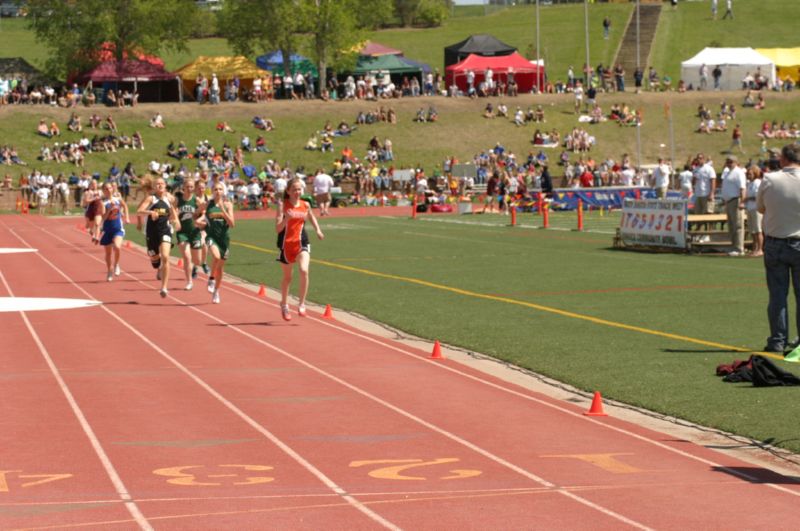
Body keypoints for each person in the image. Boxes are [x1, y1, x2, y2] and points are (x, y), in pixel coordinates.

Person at [756, 144, 800, 353]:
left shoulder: (770, 179)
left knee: (777, 295)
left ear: (783, 159)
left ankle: (777, 340)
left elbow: (760, 207)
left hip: (775, 242)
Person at [275, 177, 324, 321]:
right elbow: (278, 229)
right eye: (294, 189)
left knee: (304, 270)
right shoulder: (282, 205)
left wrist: (318, 230)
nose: (297, 192)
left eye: (299, 189)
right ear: (288, 191)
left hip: (302, 241)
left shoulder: (306, 204)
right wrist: (286, 219)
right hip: (286, 244)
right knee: (288, 277)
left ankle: (302, 304)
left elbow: (311, 217)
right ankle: (284, 304)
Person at [136, 176, 180, 298]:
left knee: (166, 256)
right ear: (154, 187)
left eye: (162, 183)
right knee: (155, 260)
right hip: (152, 232)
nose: (160, 185)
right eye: (157, 184)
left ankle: (164, 287)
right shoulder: (151, 198)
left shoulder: (169, 198)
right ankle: (158, 265)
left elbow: (173, 210)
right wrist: (151, 213)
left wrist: (175, 220)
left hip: (165, 230)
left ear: (165, 185)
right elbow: (139, 211)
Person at [197, 181, 234, 304]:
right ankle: (211, 279)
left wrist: (223, 210)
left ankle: (216, 291)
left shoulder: (228, 205)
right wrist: (198, 223)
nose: (218, 191)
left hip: (224, 239)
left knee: (221, 269)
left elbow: (232, 224)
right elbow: (195, 214)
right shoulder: (207, 204)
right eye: (215, 189)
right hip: (211, 236)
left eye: (220, 189)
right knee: (216, 257)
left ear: (223, 191)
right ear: (212, 191)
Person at [175, 179, 202, 290]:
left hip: (194, 232)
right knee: (186, 257)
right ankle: (189, 281)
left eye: (192, 187)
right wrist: (175, 218)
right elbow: (173, 212)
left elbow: (204, 213)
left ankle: (194, 267)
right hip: (182, 232)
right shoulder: (179, 200)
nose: (190, 189)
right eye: (188, 187)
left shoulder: (197, 200)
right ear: (184, 188)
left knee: (197, 261)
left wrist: (200, 220)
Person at [99, 182, 129, 282]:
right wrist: (109, 209)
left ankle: (116, 264)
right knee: (108, 254)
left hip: (118, 228)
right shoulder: (103, 203)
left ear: (113, 189)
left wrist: (127, 217)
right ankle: (109, 270)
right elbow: (103, 218)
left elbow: (125, 206)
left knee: (117, 246)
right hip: (107, 229)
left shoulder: (118, 199)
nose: (108, 190)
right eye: (106, 189)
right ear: (103, 191)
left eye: (110, 188)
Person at [719, 156, 746, 256]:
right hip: (729, 201)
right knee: (731, 225)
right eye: (727, 161)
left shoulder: (738, 172)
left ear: (736, 162)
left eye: (730, 162)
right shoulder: (727, 172)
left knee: (738, 225)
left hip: (736, 200)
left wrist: (742, 201)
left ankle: (739, 248)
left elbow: (742, 188)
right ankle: (733, 245)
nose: (728, 163)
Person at [745, 165, 763, 257]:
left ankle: (760, 249)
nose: (748, 175)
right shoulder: (749, 183)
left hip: (756, 209)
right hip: (750, 208)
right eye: (747, 174)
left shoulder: (757, 183)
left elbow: (758, 196)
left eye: (750, 174)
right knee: (752, 231)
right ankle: (754, 248)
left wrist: (747, 198)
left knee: (758, 230)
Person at [81, 178, 104, 243]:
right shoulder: (88, 192)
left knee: (97, 224)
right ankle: (93, 234)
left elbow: (104, 198)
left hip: (98, 209)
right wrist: (94, 198)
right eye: (92, 184)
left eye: (95, 183)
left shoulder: (100, 192)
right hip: (91, 209)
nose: (94, 185)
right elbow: (86, 201)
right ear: (90, 185)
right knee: (91, 227)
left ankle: (97, 237)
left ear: (97, 184)